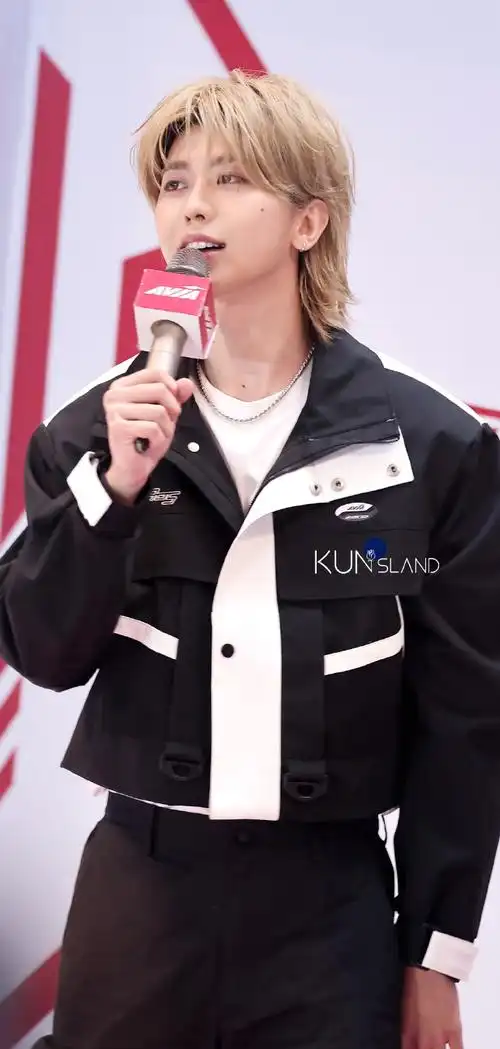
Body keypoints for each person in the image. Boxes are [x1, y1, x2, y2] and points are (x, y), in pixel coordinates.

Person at [0, 69, 499, 1049]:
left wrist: (434, 956)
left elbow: (467, 719)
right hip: (138, 897)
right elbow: (42, 650)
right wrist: (115, 487)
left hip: (332, 912)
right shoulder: (92, 431)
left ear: (309, 221)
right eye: (173, 181)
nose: (193, 204)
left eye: (230, 178)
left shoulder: (430, 445)